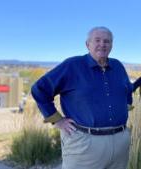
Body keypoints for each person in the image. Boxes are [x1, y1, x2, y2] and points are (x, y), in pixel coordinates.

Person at [31, 26, 133, 169]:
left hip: (120, 143)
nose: (102, 44)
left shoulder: (118, 66)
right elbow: (40, 89)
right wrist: (57, 120)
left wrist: (123, 109)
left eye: (107, 41)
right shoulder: (72, 65)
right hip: (84, 144)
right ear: (87, 44)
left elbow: (128, 90)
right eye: (97, 40)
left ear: (111, 45)